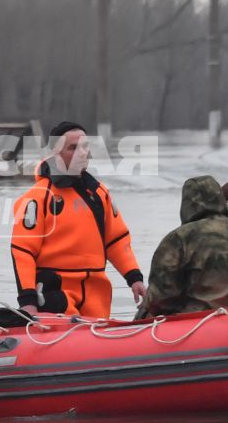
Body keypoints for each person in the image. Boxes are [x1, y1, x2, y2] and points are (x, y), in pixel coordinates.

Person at [9, 121, 145, 318]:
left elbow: (116, 241)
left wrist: (134, 278)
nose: (82, 153)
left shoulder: (99, 193)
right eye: (73, 148)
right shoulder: (38, 198)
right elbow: (22, 252)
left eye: (85, 146)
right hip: (55, 294)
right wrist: (27, 301)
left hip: (96, 294)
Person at [136, 175, 228, 318]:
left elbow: (160, 298)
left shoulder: (179, 238)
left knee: (147, 313)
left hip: (201, 320)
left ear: (186, 204)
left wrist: (142, 312)